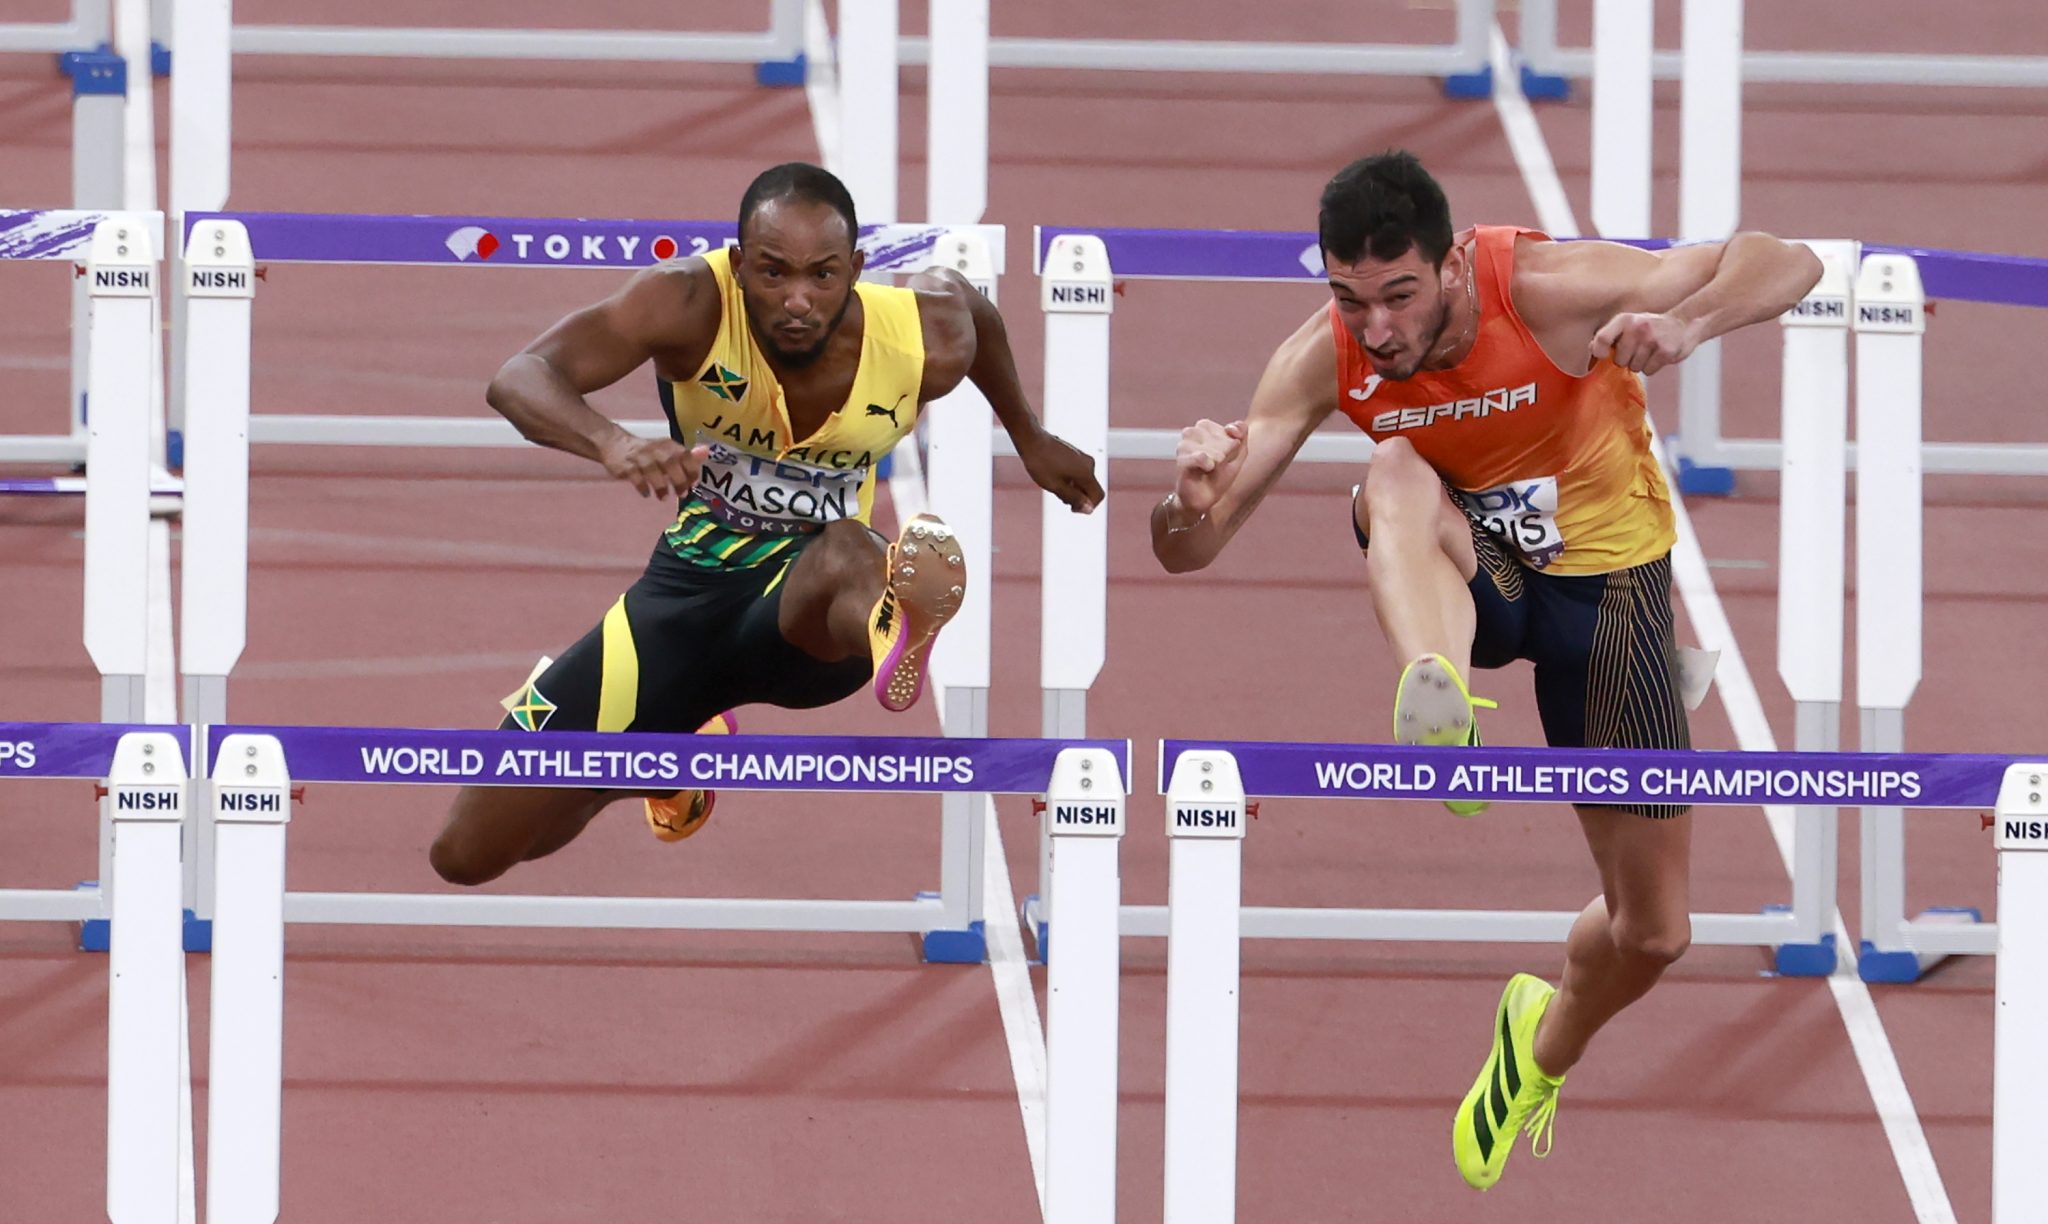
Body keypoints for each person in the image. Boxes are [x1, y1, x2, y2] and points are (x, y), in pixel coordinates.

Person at [1150, 150, 1821, 1191]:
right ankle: (1442, 704)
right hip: (1478, 580)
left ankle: (1535, 1050)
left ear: (1453, 263)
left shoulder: (1547, 290)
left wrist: (1687, 324)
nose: (1377, 328)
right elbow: (1187, 552)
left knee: (1653, 933)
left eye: (1399, 295)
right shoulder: (1324, 356)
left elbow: (1786, 258)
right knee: (1391, 470)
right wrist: (1185, 500)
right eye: (1351, 300)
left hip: (1608, 598)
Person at [430, 162, 1103, 886]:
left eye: (823, 276)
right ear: (740, 263)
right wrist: (612, 442)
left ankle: (893, 624)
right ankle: (663, 765)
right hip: (680, 604)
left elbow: (971, 308)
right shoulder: (686, 300)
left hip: (807, 618)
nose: (798, 301)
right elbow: (520, 376)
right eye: (774, 273)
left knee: (848, 546)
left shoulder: (920, 337)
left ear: (856, 271)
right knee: (470, 854)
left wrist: (1030, 436)